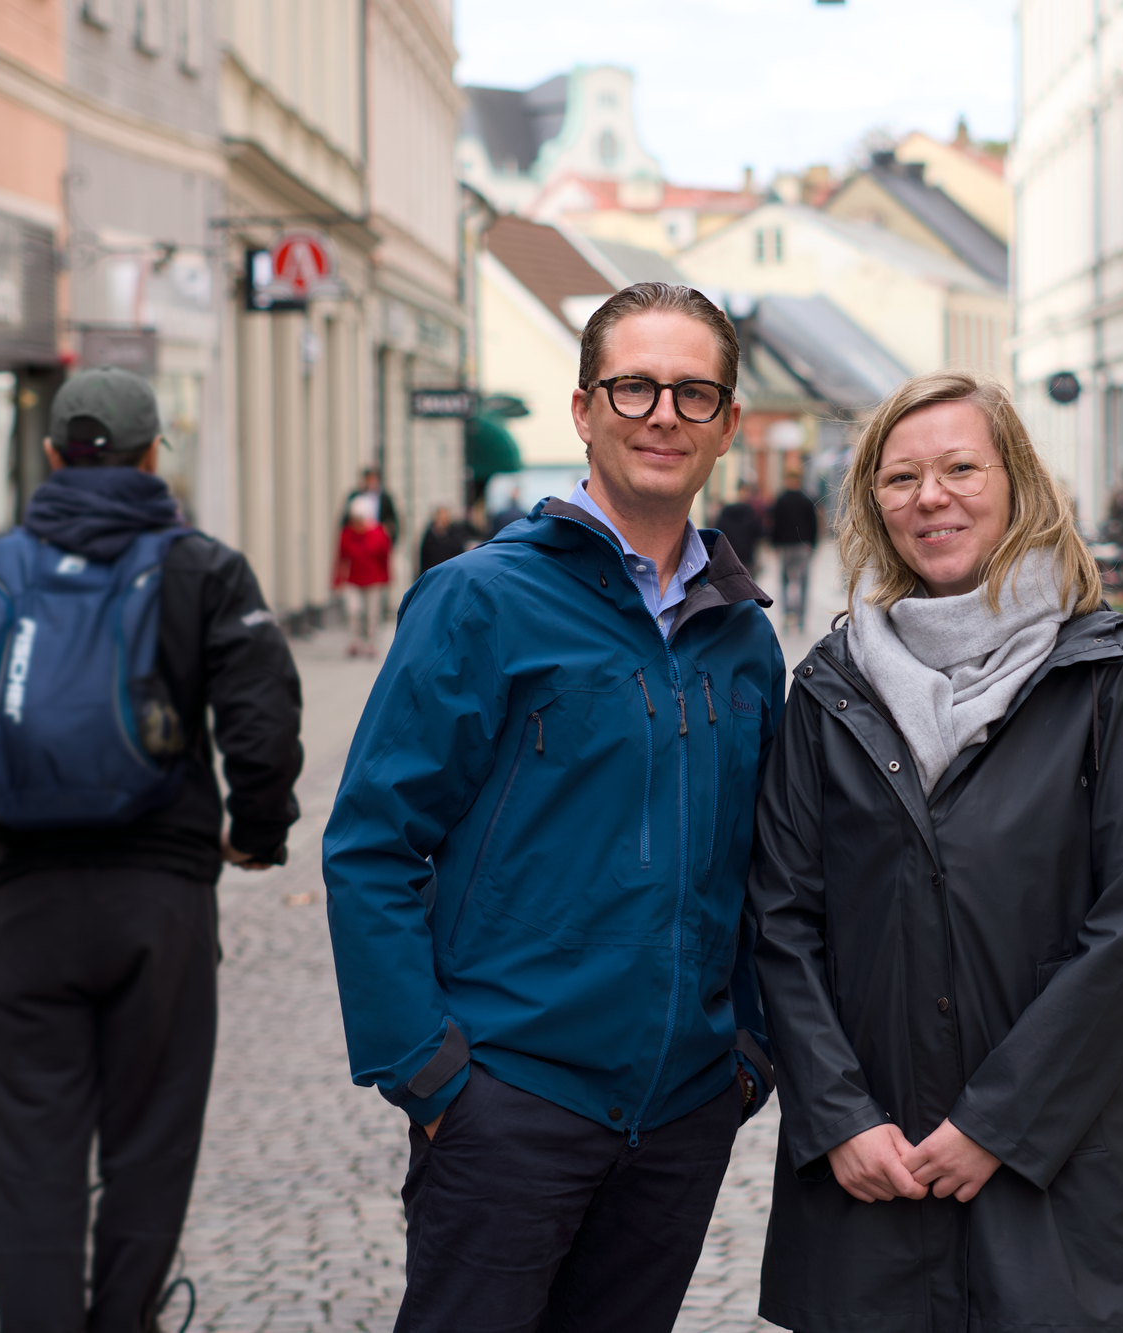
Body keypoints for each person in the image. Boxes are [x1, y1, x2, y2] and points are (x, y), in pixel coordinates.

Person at [324, 281, 783, 1333]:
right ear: (584, 410)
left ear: (726, 428)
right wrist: (432, 1075)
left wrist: (745, 1057)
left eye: (692, 394)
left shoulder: (743, 638)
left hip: (677, 1113)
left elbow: (764, 862)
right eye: (633, 388)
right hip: (510, 1099)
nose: (662, 414)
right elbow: (371, 845)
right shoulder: (480, 599)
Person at [747, 370, 1123, 1332]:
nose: (930, 496)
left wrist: (998, 1122)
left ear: (1016, 481)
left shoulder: (1108, 675)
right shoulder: (829, 688)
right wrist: (839, 1118)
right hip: (874, 1162)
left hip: (1050, 1158)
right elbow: (781, 916)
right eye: (901, 479)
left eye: (958, 467)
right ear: (874, 504)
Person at [0, 366, 304, 1332]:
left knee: (31, 1145)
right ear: (156, 452)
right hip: (159, 897)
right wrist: (255, 830)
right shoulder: (204, 568)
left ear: (50, 456)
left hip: (28, 900)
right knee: (150, 1138)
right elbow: (261, 718)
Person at [334, 495, 392, 657]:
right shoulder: (347, 534)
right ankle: (355, 642)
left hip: (374, 579)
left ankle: (371, 643)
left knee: (372, 614)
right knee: (353, 611)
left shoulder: (378, 533)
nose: (357, 523)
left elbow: (385, 557)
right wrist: (337, 580)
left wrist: (387, 578)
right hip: (353, 579)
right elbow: (340, 557)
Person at [769, 471, 821, 632]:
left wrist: (775, 544)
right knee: (803, 582)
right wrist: (813, 544)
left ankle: (786, 615)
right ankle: (800, 618)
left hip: (786, 546)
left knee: (785, 581)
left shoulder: (780, 499)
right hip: (803, 545)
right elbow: (813, 523)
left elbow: (774, 523)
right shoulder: (806, 500)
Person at [344, 465, 400, 545]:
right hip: (358, 542)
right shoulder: (355, 498)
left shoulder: (385, 499)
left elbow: (392, 522)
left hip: (377, 542)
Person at [714, 482, 764, 568]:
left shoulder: (726, 511)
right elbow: (757, 532)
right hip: (747, 554)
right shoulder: (750, 512)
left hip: (730, 554)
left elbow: (719, 531)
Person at [417, 502, 469, 574]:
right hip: (434, 574)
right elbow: (424, 559)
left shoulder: (455, 535)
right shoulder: (429, 537)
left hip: (450, 573)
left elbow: (460, 555)